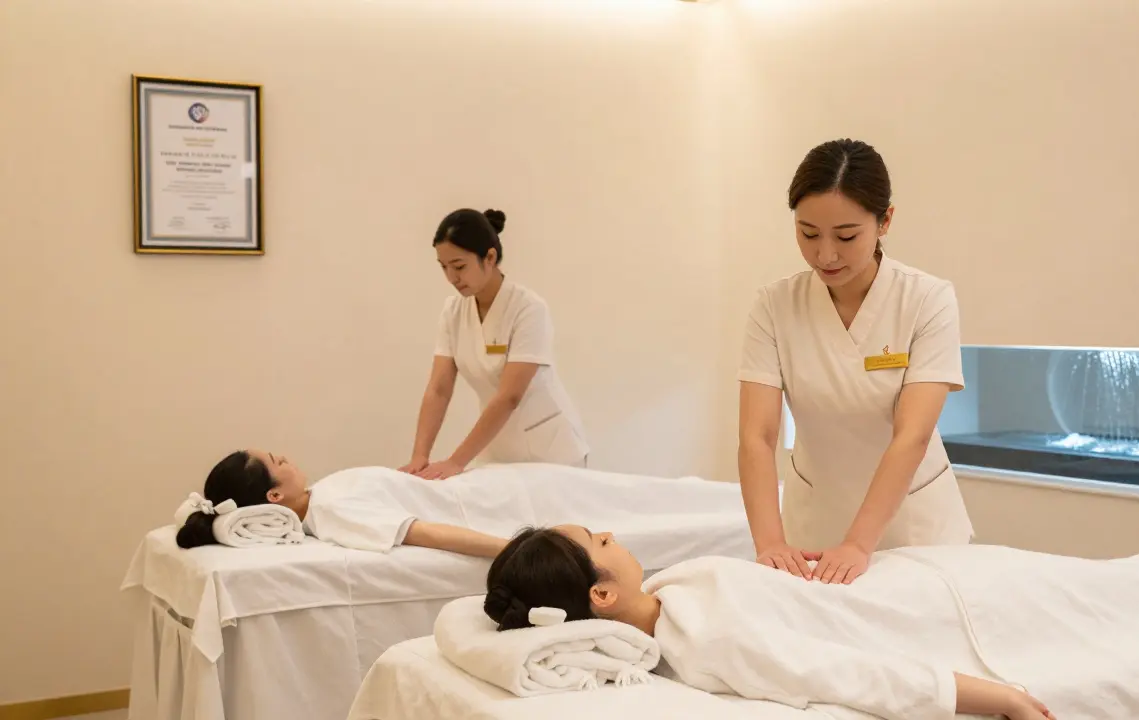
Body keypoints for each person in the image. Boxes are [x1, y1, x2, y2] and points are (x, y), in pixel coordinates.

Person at [483, 525, 1059, 720]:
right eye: (601, 539)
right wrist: (995, 697)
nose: (613, 533)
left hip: (902, 579)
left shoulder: (667, 593)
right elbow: (845, 671)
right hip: (932, 611)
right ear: (602, 592)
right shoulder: (710, 641)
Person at [737, 139, 972, 585]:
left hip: (914, 523)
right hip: (814, 524)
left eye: (846, 236)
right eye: (808, 233)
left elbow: (912, 435)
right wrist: (768, 543)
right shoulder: (774, 305)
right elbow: (758, 436)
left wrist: (860, 544)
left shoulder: (926, 299)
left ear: (885, 221)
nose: (825, 255)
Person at [400, 208, 588, 480]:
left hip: (551, 452)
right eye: (444, 267)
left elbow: (509, 396)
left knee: (553, 524)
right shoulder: (453, 311)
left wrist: (455, 462)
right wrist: (419, 457)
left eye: (459, 266)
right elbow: (439, 389)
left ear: (489, 257)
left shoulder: (528, 308)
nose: (452, 278)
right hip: (497, 450)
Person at [175, 449, 507, 557]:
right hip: (487, 502)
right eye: (278, 462)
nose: (287, 458)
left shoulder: (319, 496)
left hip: (476, 485)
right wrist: (516, 548)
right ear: (274, 497)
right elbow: (426, 533)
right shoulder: (332, 511)